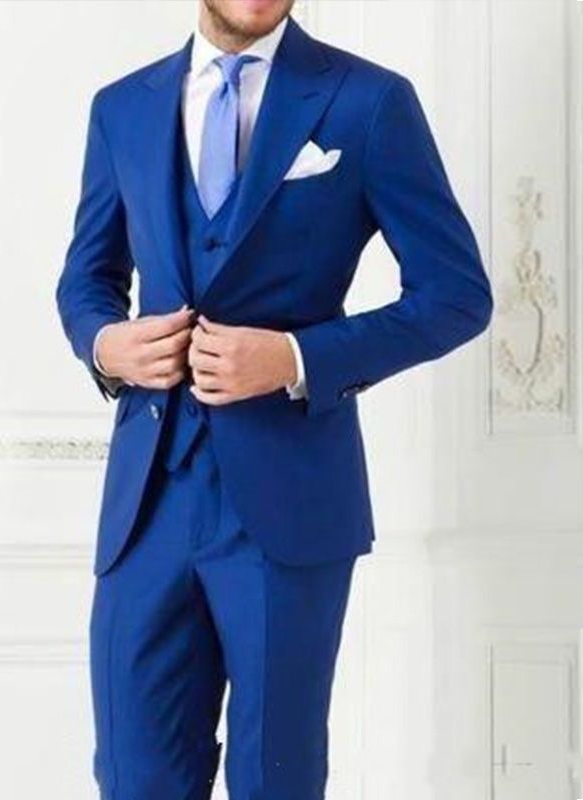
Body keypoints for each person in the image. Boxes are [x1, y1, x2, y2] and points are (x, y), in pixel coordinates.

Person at [55, 1, 493, 797]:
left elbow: (457, 296)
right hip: (147, 504)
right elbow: (87, 279)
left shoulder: (369, 101)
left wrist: (296, 357)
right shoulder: (120, 108)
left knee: (275, 779)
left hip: (289, 501)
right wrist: (105, 343)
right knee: (133, 775)